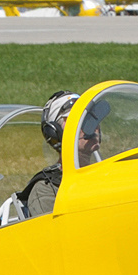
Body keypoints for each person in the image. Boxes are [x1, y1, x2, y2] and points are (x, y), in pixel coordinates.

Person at [19, 90, 90, 219]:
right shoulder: (46, 190)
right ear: (55, 133)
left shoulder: (108, 174)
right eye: (75, 120)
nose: (89, 126)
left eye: (89, 118)